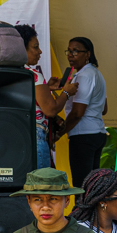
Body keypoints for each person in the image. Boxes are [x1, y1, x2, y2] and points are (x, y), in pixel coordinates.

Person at [15, 24, 77, 170]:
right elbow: (50, 110)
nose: (40, 51)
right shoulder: (33, 75)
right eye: (35, 47)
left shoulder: (12, 73)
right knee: (42, 188)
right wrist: (66, 92)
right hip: (35, 137)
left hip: (16, 137)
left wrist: (46, 88)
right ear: (21, 48)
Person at [61, 37, 108, 189]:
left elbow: (77, 113)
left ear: (87, 54)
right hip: (97, 133)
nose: (70, 55)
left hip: (83, 136)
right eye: (69, 51)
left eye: (75, 51)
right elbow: (104, 108)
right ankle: (92, 214)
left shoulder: (83, 75)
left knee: (81, 187)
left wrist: (59, 132)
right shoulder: (96, 74)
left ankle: (81, 214)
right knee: (92, 187)